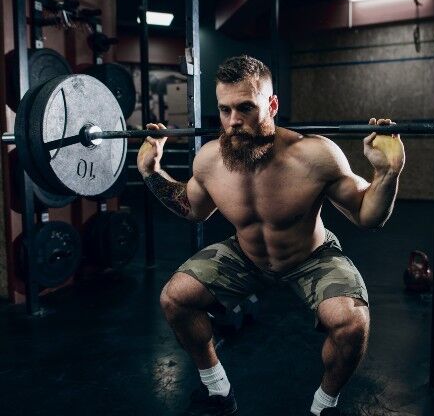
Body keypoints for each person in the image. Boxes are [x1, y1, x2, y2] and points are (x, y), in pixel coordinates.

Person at [137, 55, 405, 416]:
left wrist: (387, 174)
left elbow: (367, 215)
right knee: (175, 299)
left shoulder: (315, 155)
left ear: (272, 105)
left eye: (246, 108)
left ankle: (323, 406)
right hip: (246, 255)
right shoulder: (210, 159)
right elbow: (192, 208)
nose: (234, 122)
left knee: (352, 325)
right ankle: (218, 392)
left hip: (310, 256)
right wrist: (152, 171)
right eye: (225, 110)